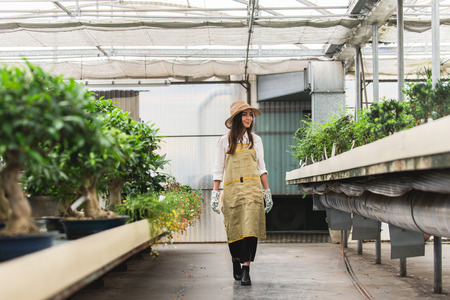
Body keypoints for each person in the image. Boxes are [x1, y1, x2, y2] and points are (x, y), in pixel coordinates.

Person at [211, 100, 273, 286]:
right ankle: (236, 260)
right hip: (232, 191)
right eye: (245, 114)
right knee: (234, 228)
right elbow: (218, 169)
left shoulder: (256, 140)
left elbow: (261, 167)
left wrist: (267, 191)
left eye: (250, 114)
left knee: (250, 229)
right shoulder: (225, 140)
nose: (248, 118)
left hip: (253, 190)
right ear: (237, 118)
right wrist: (215, 193)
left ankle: (246, 268)